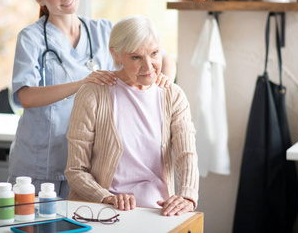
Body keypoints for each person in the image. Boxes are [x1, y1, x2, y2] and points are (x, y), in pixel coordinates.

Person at [9, 0, 176, 198]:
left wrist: (164, 83)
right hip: (40, 161)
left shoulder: (103, 31)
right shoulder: (31, 38)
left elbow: (165, 58)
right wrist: (83, 83)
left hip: (89, 164)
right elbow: (25, 96)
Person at [65, 15, 199, 216]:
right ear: (116, 55)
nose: (148, 66)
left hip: (158, 212)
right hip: (103, 212)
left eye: (154, 53)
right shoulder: (93, 94)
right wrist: (106, 197)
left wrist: (187, 195)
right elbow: (75, 170)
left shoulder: (173, 95)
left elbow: (186, 153)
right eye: (136, 57)